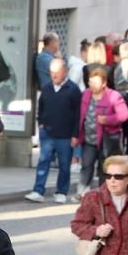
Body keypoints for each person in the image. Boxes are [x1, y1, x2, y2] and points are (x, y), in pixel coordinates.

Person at [26, 58, 81, 204]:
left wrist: (75, 134)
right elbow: (41, 107)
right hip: (48, 133)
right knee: (43, 162)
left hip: (65, 135)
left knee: (64, 165)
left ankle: (61, 191)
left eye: (57, 72)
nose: (54, 75)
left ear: (65, 71)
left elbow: (78, 115)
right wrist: (41, 123)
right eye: (52, 72)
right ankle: (38, 190)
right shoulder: (47, 87)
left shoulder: (73, 90)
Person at [74, 66, 128, 200]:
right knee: (86, 166)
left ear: (104, 83)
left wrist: (108, 120)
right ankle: (82, 193)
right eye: (90, 82)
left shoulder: (113, 96)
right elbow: (79, 115)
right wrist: (76, 134)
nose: (92, 85)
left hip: (106, 139)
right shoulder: (86, 94)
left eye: (95, 83)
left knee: (104, 168)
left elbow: (124, 115)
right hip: (88, 139)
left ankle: (103, 194)